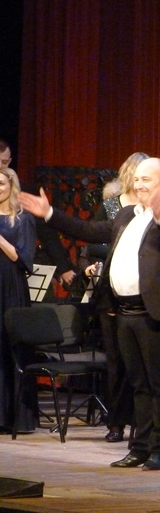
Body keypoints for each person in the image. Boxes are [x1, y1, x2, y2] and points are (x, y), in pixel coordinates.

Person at [20, 157, 160, 471]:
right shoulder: (127, 214)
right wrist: (49, 214)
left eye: (146, 179)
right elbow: (89, 230)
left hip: (154, 314)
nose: (139, 185)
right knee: (137, 384)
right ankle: (140, 447)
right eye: (137, 180)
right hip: (123, 312)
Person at [78, 152, 148, 443]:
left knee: (141, 362)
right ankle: (116, 422)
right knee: (116, 362)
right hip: (110, 294)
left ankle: (142, 424)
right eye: (138, 176)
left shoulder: (154, 210)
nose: (141, 183)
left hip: (143, 295)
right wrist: (88, 266)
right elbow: (88, 245)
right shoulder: (110, 207)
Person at [0, 140, 76, 291]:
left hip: (12, 272)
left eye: (4, 162)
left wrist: (63, 267)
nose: (0, 167)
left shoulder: (23, 193)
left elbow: (46, 232)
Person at [0, 168, 38, 433]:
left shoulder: (22, 219)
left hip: (10, 286)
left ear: (11, 186)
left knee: (10, 347)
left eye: (1, 184)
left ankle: (15, 417)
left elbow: (21, 258)